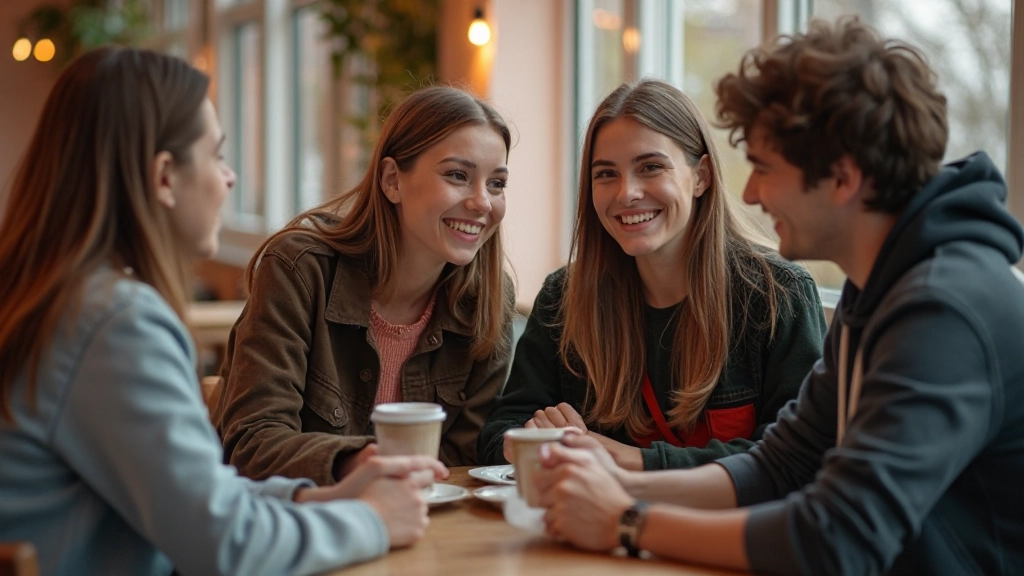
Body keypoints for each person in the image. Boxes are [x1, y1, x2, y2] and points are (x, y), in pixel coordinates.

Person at [535, 17, 1024, 576]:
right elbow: (785, 464)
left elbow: (838, 538)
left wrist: (627, 519)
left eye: (765, 168)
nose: (748, 191)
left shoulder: (945, 309)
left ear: (841, 178)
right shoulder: (882, 288)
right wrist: (622, 483)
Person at [0, 46, 447, 576]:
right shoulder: (113, 324)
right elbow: (225, 547)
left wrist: (321, 499)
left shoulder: (61, 298)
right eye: (216, 156)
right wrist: (373, 520)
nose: (230, 177)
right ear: (164, 177)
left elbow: (196, 502)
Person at [478, 79, 826, 471]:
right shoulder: (564, 297)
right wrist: (532, 439)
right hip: (589, 529)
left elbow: (798, 458)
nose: (627, 193)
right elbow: (498, 434)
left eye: (650, 167)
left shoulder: (780, 295)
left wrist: (632, 460)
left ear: (702, 176)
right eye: (606, 174)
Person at [213, 85, 515, 486]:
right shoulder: (301, 269)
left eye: (496, 184)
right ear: (393, 180)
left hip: (427, 531)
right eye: (458, 175)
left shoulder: (488, 301)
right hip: (302, 527)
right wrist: (358, 464)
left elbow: (462, 462)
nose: (482, 202)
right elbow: (252, 442)